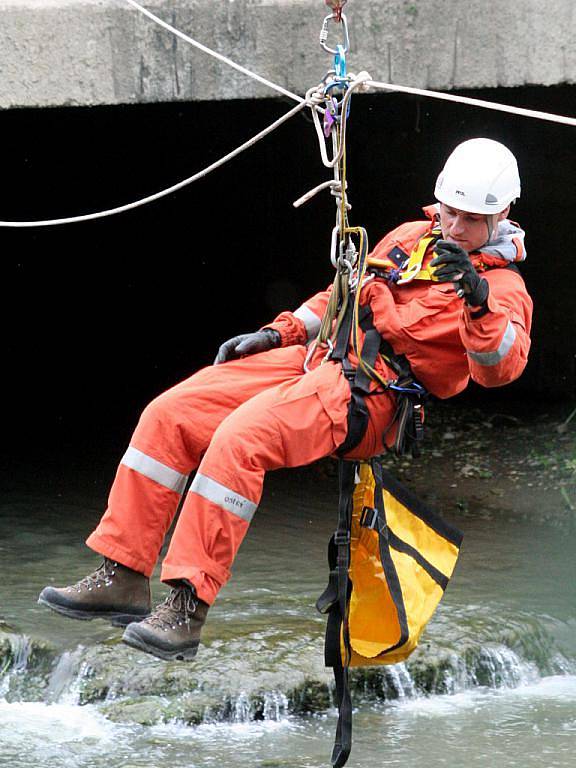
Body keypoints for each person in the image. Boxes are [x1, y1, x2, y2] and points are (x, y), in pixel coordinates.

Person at [38, 138, 533, 661]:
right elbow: (341, 292)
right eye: (449, 212)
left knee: (240, 439)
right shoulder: (412, 236)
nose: (453, 228)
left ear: (501, 214)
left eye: (468, 219)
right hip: (321, 356)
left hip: (372, 392)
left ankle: (188, 605)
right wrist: (280, 333)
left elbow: (498, 370)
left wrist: (478, 300)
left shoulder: (503, 289)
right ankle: (123, 571)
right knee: (170, 413)